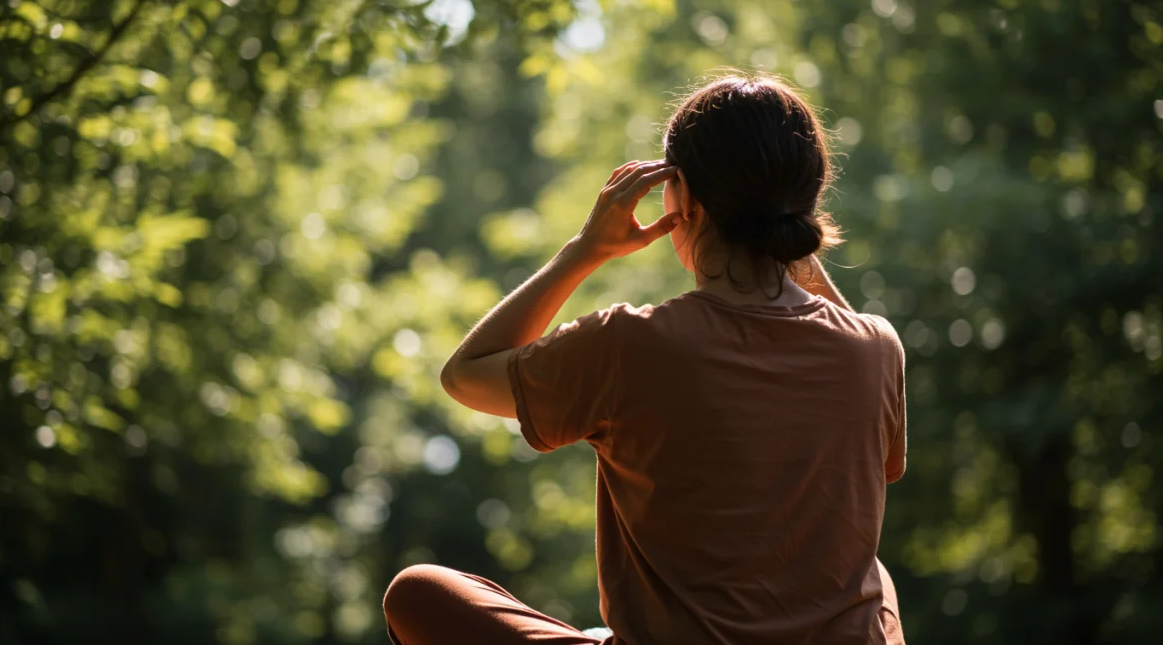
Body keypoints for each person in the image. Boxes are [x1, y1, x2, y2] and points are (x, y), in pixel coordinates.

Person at [383, 72, 907, 645]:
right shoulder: (876, 347)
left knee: (418, 593)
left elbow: (465, 375)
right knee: (872, 574)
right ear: (807, 202)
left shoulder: (628, 344)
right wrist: (785, 247)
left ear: (683, 200)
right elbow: (886, 465)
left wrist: (586, 249)